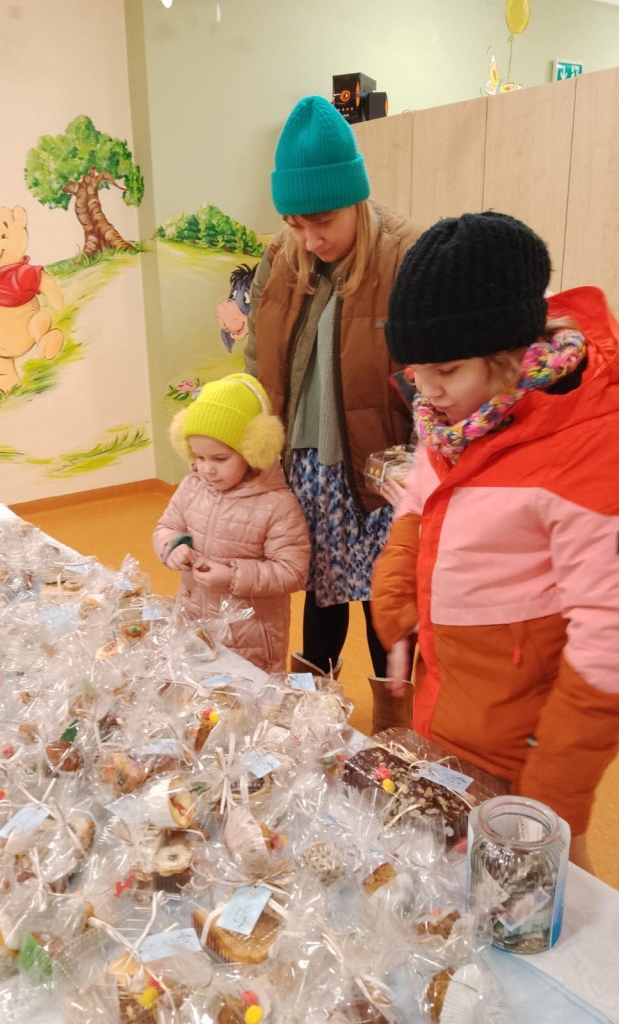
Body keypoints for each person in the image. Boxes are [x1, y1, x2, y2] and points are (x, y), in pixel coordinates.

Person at [371, 210, 619, 871]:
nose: (426, 393)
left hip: (525, 748)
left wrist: (552, 797)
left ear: (510, 355)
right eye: (415, 370)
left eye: (445, 369)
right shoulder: (462, 416)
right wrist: (396, 585)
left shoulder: (588, 447)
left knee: (542, 902)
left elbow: (607, 640)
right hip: (452, 707)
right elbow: (421, 497)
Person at [244, 94, 422, 732]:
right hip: (306, 467)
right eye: (295, 224)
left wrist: (424, 467)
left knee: (385, 605)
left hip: (377, 474)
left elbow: (431, 377)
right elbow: (256, 358)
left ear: (356, 200)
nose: (310, 239)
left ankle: (396, 734)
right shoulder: (282, 258)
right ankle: (312, 724)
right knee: (320, 599)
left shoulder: (405, 256)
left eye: (322, 222)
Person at [152, 372, 310, 674]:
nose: (207, 469)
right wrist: (173, 547)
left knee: (247, 693)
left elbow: (293, 572)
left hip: (250, 637)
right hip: (194, 620)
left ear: (252, 451)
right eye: (199, 457)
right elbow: (167, 527)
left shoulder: (277, 504)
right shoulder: (191, 486)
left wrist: (233, 576)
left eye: (220, 459)